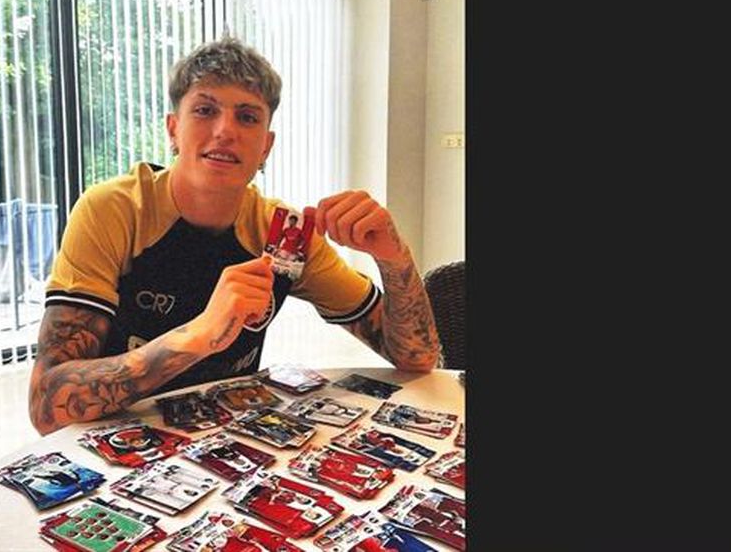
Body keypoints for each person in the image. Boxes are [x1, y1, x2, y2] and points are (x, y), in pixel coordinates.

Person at [28, 36, 441, 435]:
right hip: (116, 443)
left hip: (227, 444)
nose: (225, 130)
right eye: (205, 110)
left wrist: (394, 257)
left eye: (247, 117)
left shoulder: (286, 235)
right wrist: (199, 335)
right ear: (173, 129)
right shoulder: (113, 210)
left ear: (266, 146)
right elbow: (46, 405)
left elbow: (417, 358)